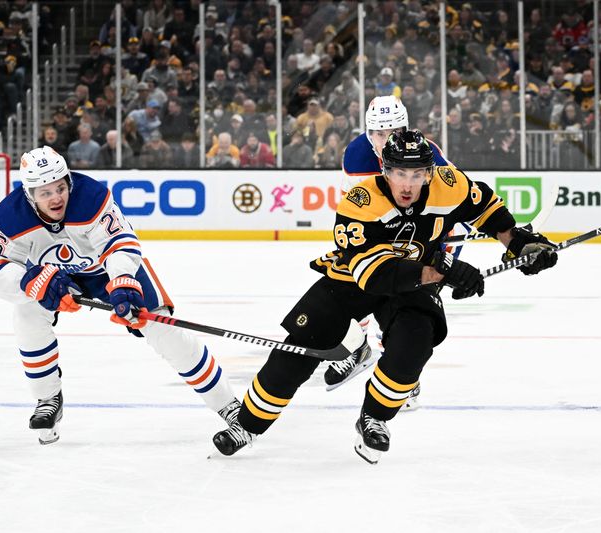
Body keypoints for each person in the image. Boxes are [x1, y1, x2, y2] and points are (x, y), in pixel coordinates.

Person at [211, 130, 558, 462]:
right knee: (302, 347)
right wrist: (446, 271)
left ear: (429, 172)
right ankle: (247, 423)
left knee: (415, 346)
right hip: (353, 280)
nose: (408, 184)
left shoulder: (448, 185)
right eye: (399, 173)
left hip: (415, 282)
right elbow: (376, 274)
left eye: (417, 173)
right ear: (385, 170)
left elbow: (487, 210)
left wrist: (517, 242)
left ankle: (373, 418)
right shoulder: (360, 201)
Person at [0, 147, 243, 445]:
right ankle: (47, 398)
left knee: (163, 329)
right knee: (27, 314)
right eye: (44, 192)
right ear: (29, 194)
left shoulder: (91, 197)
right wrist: (29, 282)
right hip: (54, 277)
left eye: (60, 187)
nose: (55, 198)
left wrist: (122, 280)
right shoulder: (11, 215)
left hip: (108, 272)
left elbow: (120, 242)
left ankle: (229, 406)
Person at [330, 95, 457, 410]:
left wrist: (447, 248)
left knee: (408, 313)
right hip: (381, 237)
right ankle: (357, 350)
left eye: (394, 132)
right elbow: (354, 209)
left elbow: (455, 202)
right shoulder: (357, 157)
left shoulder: (429, 157)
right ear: (367, 131)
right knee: (345, 286)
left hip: (421, 240)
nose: (385, 140)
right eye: (378, 133)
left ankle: (404, 378)